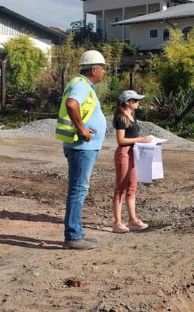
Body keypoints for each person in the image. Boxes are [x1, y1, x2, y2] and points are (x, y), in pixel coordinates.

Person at [55, 50, 108, 250]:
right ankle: (73, 236)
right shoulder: (81, 85)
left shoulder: (84, 85)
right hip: (81, 146)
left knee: (79, 189)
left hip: (84, 146)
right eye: (102, 68)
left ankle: (77, 232)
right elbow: (71, 104)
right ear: (94, 69)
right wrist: (82, 129)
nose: (104, 72)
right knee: (78, 189)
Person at [112, 90, 153, 233]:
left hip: (133, 153)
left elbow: (131, 135)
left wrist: (143, 139)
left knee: (132, 188)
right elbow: (121, 140)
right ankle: (117, 222)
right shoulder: (121, 118)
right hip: (124, 153)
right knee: (120, 189)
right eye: (135, 100)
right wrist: (140, 139)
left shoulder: (131, 116)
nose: (138, 102)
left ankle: (132, 220)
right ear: (127, 102)